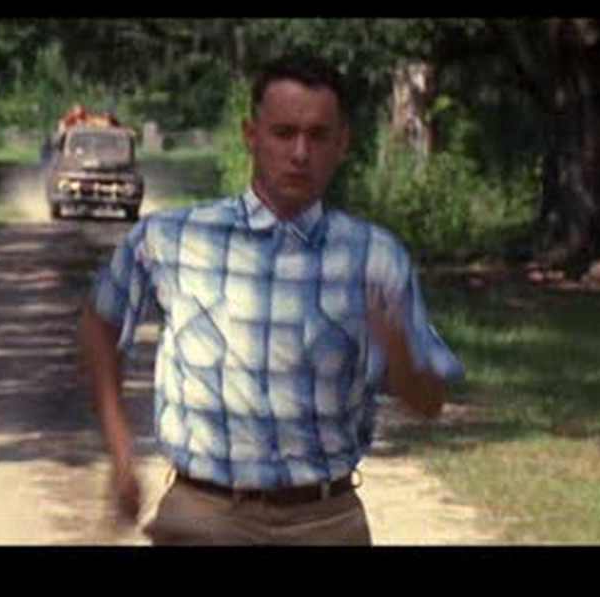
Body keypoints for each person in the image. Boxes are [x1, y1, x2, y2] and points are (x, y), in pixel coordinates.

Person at [77, 54, 465, 546]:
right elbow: (99, 323)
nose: (300, 153)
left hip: (325, 521)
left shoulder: (375, 257)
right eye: (284, 133)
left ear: (342, 144)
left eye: (318, 135)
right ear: (251, 135)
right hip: (204, 515)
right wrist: (120, 452)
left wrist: (400, 353)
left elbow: (429, 403)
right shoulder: (172, 239)